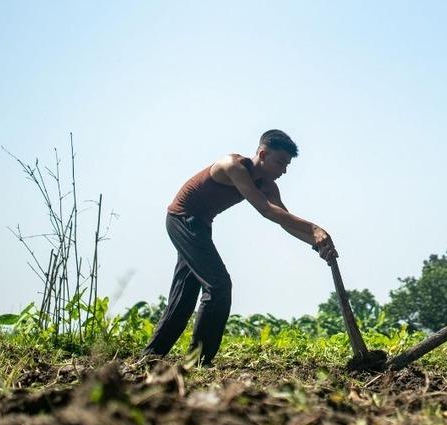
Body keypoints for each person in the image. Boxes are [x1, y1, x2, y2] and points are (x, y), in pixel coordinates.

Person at [143, 129, 338, 365]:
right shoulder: (233, 166)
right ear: (263, 154)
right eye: (280, 163)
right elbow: (266, 210)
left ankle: (150, 357)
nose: (284, 171)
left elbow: (283, 220)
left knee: (184, 296)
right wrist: (315, 228)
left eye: (287, 165)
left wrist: (317, 244)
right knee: (219, 286)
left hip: (200, 226)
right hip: (182, 220)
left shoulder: (268, 186)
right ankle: (197, 361)